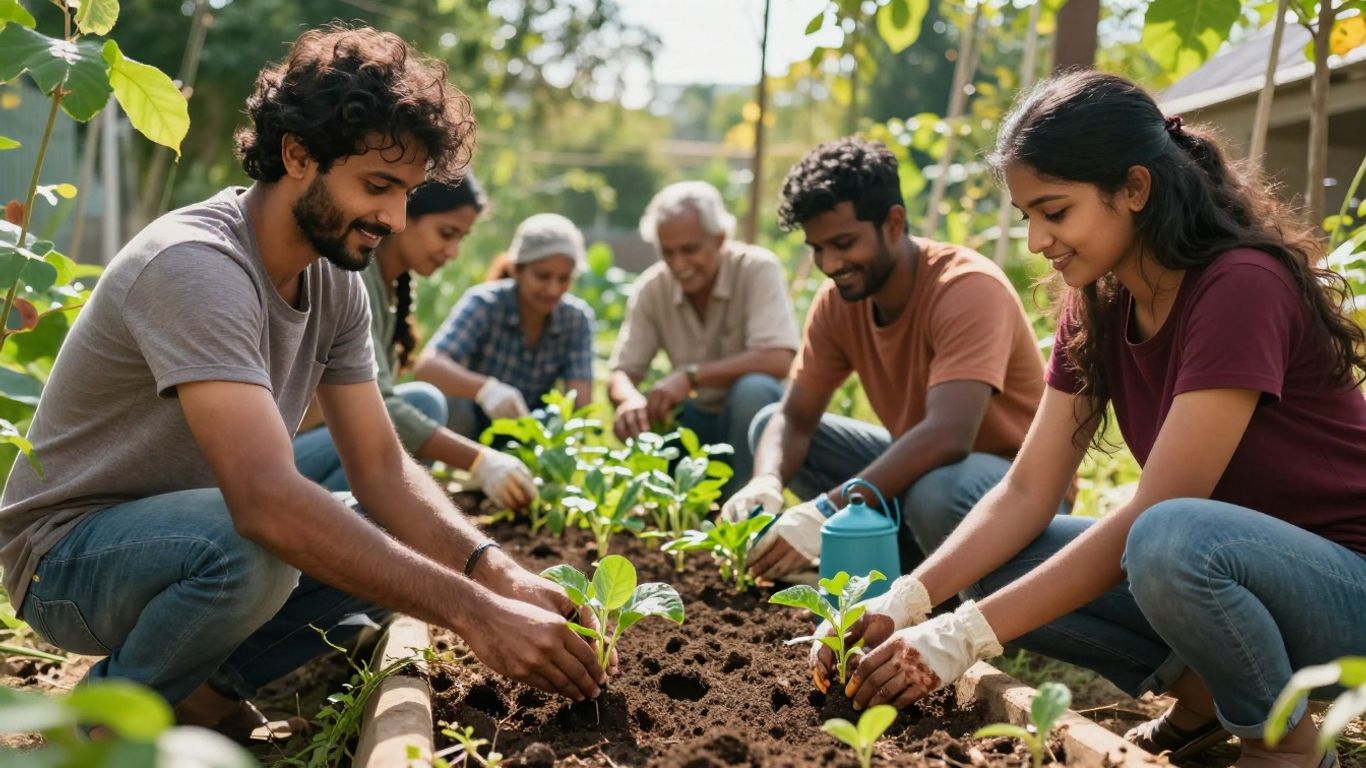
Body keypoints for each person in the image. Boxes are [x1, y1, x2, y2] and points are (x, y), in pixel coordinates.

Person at [0, 26, 607, 740]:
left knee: (386, 532)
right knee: (258, 547)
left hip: (187, 528)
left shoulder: (334, 277)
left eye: (407, 193)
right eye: (377, 186)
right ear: (296, 154)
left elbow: (381, 468)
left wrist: (495, 574)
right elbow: (263, 504)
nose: (393, 218)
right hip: (66, 559)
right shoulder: (196, 265)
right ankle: (92, 731)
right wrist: (474, 615)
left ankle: (201, 693)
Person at [811, 72, 1366, 768]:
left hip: (1346, 584)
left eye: (1055, 211)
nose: (1039, 239)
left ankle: (1282, 739)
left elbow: (1161, 509)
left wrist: (967, 636)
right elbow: (1025, 490)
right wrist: (914, 599)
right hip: (1236, 575)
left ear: (1134, 189)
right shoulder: (1099, 300)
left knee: (1167, 536)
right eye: (1028, 216)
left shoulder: (1240, 287)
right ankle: (1203, 697)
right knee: (996, 556)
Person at [721, 136, 1053, 581]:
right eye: (817, 248)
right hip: (926, 476)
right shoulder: (839, 301)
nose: (830, 262)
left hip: (1014, 487)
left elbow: (950, 435)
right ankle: (902, 566)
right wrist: (765, 481)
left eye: (843, 242)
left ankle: (957, 591)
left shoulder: (965, 287)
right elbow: (795, 418)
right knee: (769, 429)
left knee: (935, 491)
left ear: (893, 223)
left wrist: (824, 510)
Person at [292, 177, 536, 510]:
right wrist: (479, 460)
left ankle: (351, 525)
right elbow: (375, 405)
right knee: (422, 405)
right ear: (404, 216)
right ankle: (333, 536)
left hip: (310, 452)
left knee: (424, 401)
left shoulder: (389, 289)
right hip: (279, 459)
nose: (452, 252)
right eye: (446, 234)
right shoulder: (355, 278)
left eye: (460, 239)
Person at [608, 181, 799, 496]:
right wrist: (629, 399)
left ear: (720, 238)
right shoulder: (653, 287)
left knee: (754, 389)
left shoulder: (756, 269)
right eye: (668, 252)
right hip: (693, 422)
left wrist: (692, 376)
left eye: (690, 250)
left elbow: (778, 358)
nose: (679, 264)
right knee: (653, 412)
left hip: (750, 422)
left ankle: (749, 506)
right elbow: (621, 372)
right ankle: (674, 509)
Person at [414, 213, 595, 438]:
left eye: (564, 278)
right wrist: (486, 390)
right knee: (451, 404)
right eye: (542, 276)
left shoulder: (575, 319)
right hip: (471, 425)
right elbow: (427, 366)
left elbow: (580, 403)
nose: (553, 289)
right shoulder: (485, 303)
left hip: (528, 430)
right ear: (517, 270)